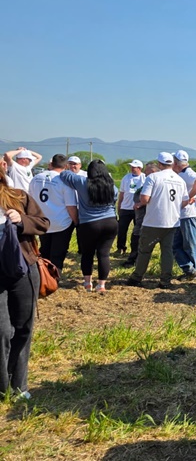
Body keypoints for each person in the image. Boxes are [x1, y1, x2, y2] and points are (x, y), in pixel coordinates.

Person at [0, 164, 50, 399]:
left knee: (23, 327)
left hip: (23, 269)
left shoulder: (18, 196)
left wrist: (22, 220)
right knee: (1, 330)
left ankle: (19, 385)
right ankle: (2, 387)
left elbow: (43, 223)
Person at [126, 153, 188, 289]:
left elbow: (144, 199)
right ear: (172, 164)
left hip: (153, 221)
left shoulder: (153, 177)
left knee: (145, 250)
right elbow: (184, 201)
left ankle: (137, 277)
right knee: (167, 252)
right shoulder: (180, 180)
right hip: (172, 222)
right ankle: (165, 280)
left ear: (159, 164)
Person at [59, 160, 118, 293]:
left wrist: (68, 166)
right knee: (104, 254)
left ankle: (87, 283)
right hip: (110, 222)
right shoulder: (112, 186)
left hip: (89, 223)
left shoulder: (82, 182)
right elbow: (114, 201)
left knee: (87, 253)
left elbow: (64, 175)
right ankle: (101, 285)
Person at [28, 154, 78, 273]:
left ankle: (43, 276)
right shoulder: (64, 181)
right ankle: (54, 278)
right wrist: (76, 221)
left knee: (44, 251)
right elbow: (70, 206)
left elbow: (30, 200)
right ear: (66, 166)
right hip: (61, 223)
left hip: (42, 221)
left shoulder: (36, 178)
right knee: (58, 254)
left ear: (51, 164)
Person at [171, 150, 196, 279]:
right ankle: (189, 269)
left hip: (188, 214)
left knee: (189, 244)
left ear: (176, 163)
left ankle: (193, 271)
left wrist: (188, 197)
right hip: (183, 215)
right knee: (176, 245)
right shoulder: (182, 173)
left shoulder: (188, 173)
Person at [124, 162, 158, 267]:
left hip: (144, 216)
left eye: (146, 170)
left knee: (137, 237)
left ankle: (133, 260)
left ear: (152, 171)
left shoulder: (153, 181)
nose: (144, 172)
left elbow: (148, 197)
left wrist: (141, 203)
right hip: (143, 216)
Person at [115, 160, 146, 256]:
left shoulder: (144, 178)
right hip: (126, 207)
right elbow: (122, 193)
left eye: (134, 167)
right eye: (131, 167)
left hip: (138, 208)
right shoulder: (126, 178)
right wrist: (119, 205)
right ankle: (121, 247)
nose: (132, 168)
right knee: (122, 229)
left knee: (138, 231)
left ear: (139, 168)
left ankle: (136, 249)